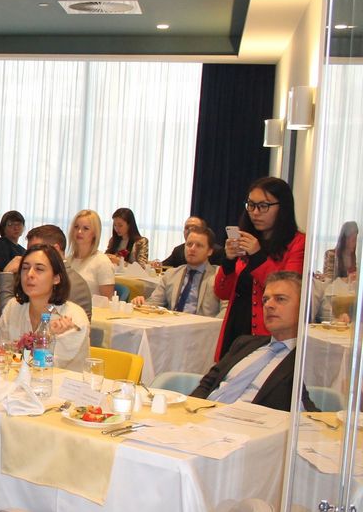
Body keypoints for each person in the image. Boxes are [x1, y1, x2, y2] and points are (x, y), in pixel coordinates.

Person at [192, 272, 315, 411]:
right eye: (265, 300)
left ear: (303, 307)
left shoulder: (305, 359)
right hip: (203, 414)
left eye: (280, 299)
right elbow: (208, 383)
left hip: (248, 421)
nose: (268, 305)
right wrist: (193, 410)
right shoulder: (245, 343)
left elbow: (311, 414)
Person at [214, 176, 306, 359]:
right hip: (235, 328)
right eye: (251, 205)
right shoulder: (246, 238)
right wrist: (229, 261)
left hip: (267, 333)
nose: (255, 212)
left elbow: (288, 290)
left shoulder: (298, 243)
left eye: (263, 206)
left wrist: (257, 256)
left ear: (282, 207)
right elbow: (221, 292)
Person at [0, 244, 90, 372]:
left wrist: (47, 336)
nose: (29, 274)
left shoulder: (73, 317)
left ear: (56, 278)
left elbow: (45, 366)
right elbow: (5, 354)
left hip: (61, 382)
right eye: (25, 268)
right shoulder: (13, 307)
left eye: (39, 269)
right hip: (17, 379)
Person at [0, 224, 92, 319]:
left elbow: (9, 318)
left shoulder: (64, 279)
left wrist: (7, 274)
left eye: (36, 250)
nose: (30, 256)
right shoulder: (68, 275)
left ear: (55, 250)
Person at [132, 226, 221, 316]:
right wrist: (140, 303)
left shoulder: (219, 276)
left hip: (204, 324)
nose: (192, 249)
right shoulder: (171, 274)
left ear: (210, 251)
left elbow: (225, 311)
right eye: (189, 244)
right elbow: (154, 303)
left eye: (199, 245)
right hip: (172, 322)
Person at [66, 209, 115, 300]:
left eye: (85, 228)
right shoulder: (68, 260)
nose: (79, 231)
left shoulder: (102, 262)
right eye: (76, 227)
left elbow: (108, 300)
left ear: (95, 234)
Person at [160, 216, 226, 268]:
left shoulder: (217, 251)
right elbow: (163, 266)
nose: (190, 230)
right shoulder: (178, 250)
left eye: (194, 228)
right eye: (187, 228)